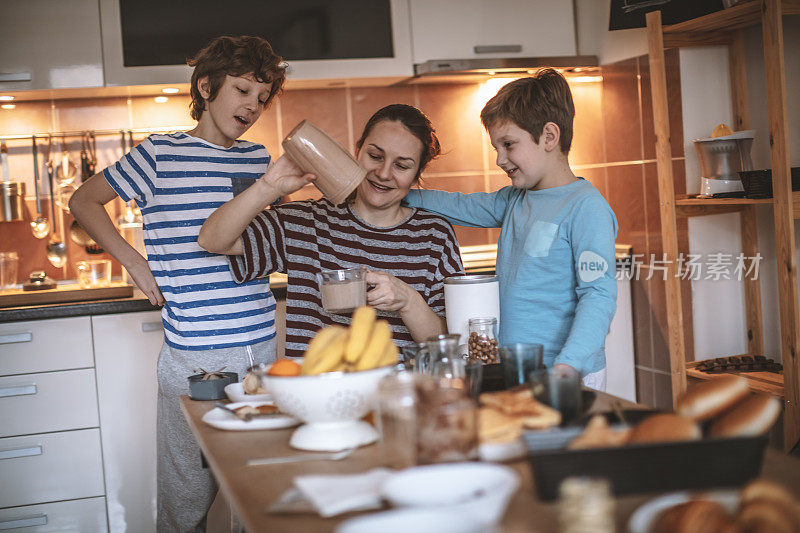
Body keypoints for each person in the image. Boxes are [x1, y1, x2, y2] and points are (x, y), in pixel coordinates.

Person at [69, 35, 295, 531]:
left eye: (262, 97)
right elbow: (83, 201)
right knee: (186, 499)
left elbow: (268, 240)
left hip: (260, 350)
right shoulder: (159, 155)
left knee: (256, 497)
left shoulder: (258, 160)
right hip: (194, 356)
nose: (253, 106)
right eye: (241, 90)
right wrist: (133, 261)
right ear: (207, 86)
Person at [403, 69, 618, 390]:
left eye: (508, 144)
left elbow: (598, 296)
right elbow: (463, 206)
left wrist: (568, 365)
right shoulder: (516, 199)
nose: (500, 159)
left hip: (566, 374)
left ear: (549, 137)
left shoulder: (586, 208)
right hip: (519, 369)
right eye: (496, 148)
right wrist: (401, 190)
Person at [198, 104, 464, 355]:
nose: (383, 173)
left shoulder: (434, 236)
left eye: (402, 165)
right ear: (358, 151)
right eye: (375, 156)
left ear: (417, 172)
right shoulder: (307, 222)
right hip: (314, 394)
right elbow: (212, 240)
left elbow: (453, 342)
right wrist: (269, 186)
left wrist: (409, 301)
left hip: (399, 396)